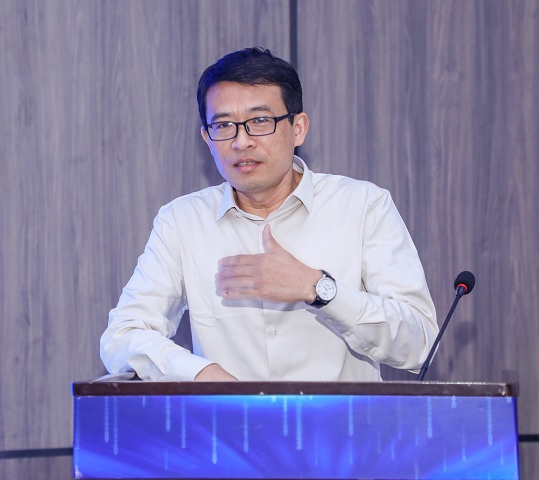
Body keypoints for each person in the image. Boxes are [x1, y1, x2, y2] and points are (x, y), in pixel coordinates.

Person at [100, 47, 438, 382]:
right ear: (206, 138)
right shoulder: (181, 221)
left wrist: (318, 288)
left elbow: (420, 343)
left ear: (298, 128)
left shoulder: (363, 205)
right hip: (229, 419)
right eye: (223, 125)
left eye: (260, 121)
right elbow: (122, 336)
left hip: (341, 419)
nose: (241, 142)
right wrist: (198, 373)